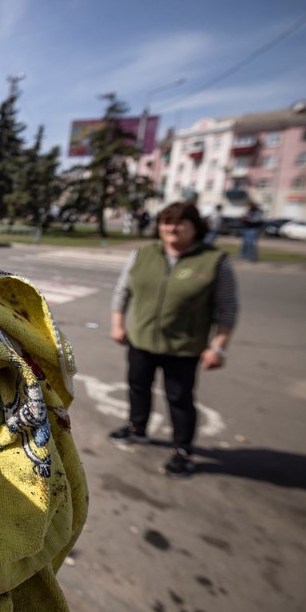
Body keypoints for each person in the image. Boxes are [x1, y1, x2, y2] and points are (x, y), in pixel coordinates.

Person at [108, 201, 238, 478]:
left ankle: (182, 450)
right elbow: (123, 291)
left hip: (184, 347)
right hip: (141, 340)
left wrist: (218, 347)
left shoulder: (214, 260)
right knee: (137, 386)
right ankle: (137, 428)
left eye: (180, 222)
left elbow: (227, 309)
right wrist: (118, 324)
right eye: (167, 222)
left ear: (195, 227)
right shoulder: (143, 254)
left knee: (179, 399)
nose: (172, 228)